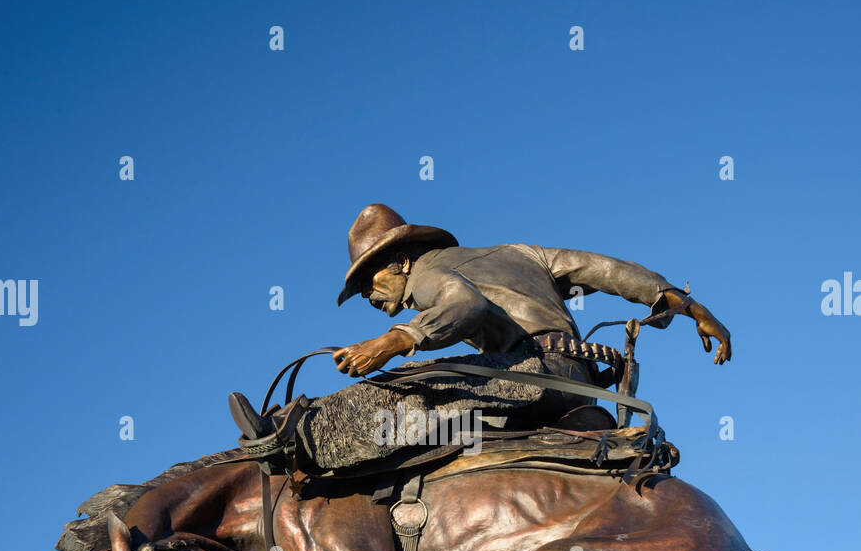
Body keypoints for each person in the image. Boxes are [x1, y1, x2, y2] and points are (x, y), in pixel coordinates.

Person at [230, 203, 731, 473]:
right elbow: (604, 270)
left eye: (368, 282)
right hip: (580, 380)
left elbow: (464, 306)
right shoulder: (521, 253)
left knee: (392, 397)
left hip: (530, 376)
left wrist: (394, 340)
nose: (369, 295)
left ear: (399, 260)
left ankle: (291, 435)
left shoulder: (428, 273)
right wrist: (686, 303)